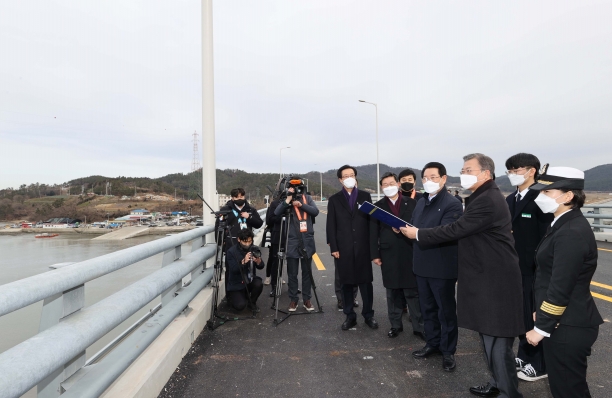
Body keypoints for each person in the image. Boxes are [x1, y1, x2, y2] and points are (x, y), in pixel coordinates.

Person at [401, 153, 524, 398]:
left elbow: (457, 229)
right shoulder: (482, 196)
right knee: (488, 338)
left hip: (495, 280)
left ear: (486, 174)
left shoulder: (487, 199)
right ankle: (498, 382)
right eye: (464, 170)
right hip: (485, 277)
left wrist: (419, 235)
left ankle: (509, 392)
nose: (464, 174)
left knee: (498, 342)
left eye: (469, 170)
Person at [524, 166, 603, 398]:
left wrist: (542, 326)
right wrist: (542, 311)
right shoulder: (562, 223)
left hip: (568, 326)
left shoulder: (570, 231)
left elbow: (561, 286)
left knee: (569, 390)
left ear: (568, 196)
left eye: (547, 193)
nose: (540, 197)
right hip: (564, 321)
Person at [504, 153, 553, 382]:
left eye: (516, 170)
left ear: (532, 170)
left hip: (535, 269)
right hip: (515, 269)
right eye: (510, 171)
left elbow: (546, 237)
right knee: (522, 315)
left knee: (536, 316)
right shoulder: (511, 199)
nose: (513, 175)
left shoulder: (541, 197)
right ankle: (525, 354)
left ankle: (540, 363)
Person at [410, 162, 463, 373]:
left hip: (442, 267)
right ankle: (432, 343)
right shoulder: (421, 202)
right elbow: (414, 226)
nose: (428, 181)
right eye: (425, 178)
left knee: (446, 311)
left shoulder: (452, 203)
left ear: (443, 178)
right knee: (427, 309)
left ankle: (448, 351)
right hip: (421, 264)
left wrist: (415, 233)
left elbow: (446, 232)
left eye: (433, 177)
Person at [370, 172, 424, 339]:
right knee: (392, 292)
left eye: (391, 183)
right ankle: (395, 325)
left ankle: (419, 326)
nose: (388, 186)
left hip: (410, 250)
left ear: (398, 184)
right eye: (385, 184)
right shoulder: (377, 207)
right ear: (381, 187)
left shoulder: (413, 203)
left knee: (412, 292)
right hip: (388, 253)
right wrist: (375, 254)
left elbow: (419, 225)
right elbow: (373, 233)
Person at [326, 165, 378, 330]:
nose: (349, 177)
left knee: (366, 283)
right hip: (343, 248)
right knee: (346, 283)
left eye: (352, 174)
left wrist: (372, 247)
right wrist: (334, 246)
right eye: (345, 175)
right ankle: (350, 316)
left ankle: (368, 315)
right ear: (340, 179)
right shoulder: (334, 200)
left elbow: (371, 222)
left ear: (355, 177)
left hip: (363, 247)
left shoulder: (365, 196)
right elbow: (331, 225)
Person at [274, 181, 319, 312]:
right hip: (292, 241)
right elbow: (276, 213)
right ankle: (293, 299)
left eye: (297, 188)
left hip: (307, 240)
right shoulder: (285, 200)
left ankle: (307, 299)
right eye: (292, 188)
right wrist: (287, 199)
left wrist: (302, 205)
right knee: (292, 274)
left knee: (307, 273)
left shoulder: (307, 198)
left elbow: (315, 212)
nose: (296, 190)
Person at [225, 228, 265, 311]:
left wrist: (258, 261)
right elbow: (233, 270)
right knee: (240, 306)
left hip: (249, 280)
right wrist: (243, 261)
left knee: (258, 284)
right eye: (245, 242)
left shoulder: (254, 248)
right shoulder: (231, 252)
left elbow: (261, 266)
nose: (247, 244)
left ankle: (252, 303)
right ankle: (235, 298)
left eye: (250, 241)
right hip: (236, 283)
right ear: (239, 239)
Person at [216, 188, 264, 252]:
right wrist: (220, 242)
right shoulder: (225, 210)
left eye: (241, 196)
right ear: (232, 198)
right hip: (231, 243)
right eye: (237, 197)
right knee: (231, 261)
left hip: (247, 243)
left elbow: (259, 224)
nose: (239, 198)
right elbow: (218, 226)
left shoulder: (250, 210)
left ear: (244, 197)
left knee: (247, 261)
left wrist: (249, 217)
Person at [264, 196, 284, 296]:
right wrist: (283, 217)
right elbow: (269, 219)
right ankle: (273, 284)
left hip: (292, 236)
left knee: (291, 261)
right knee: (274, 259)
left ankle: (292, 284)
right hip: (276, 235)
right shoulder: (275, 204)